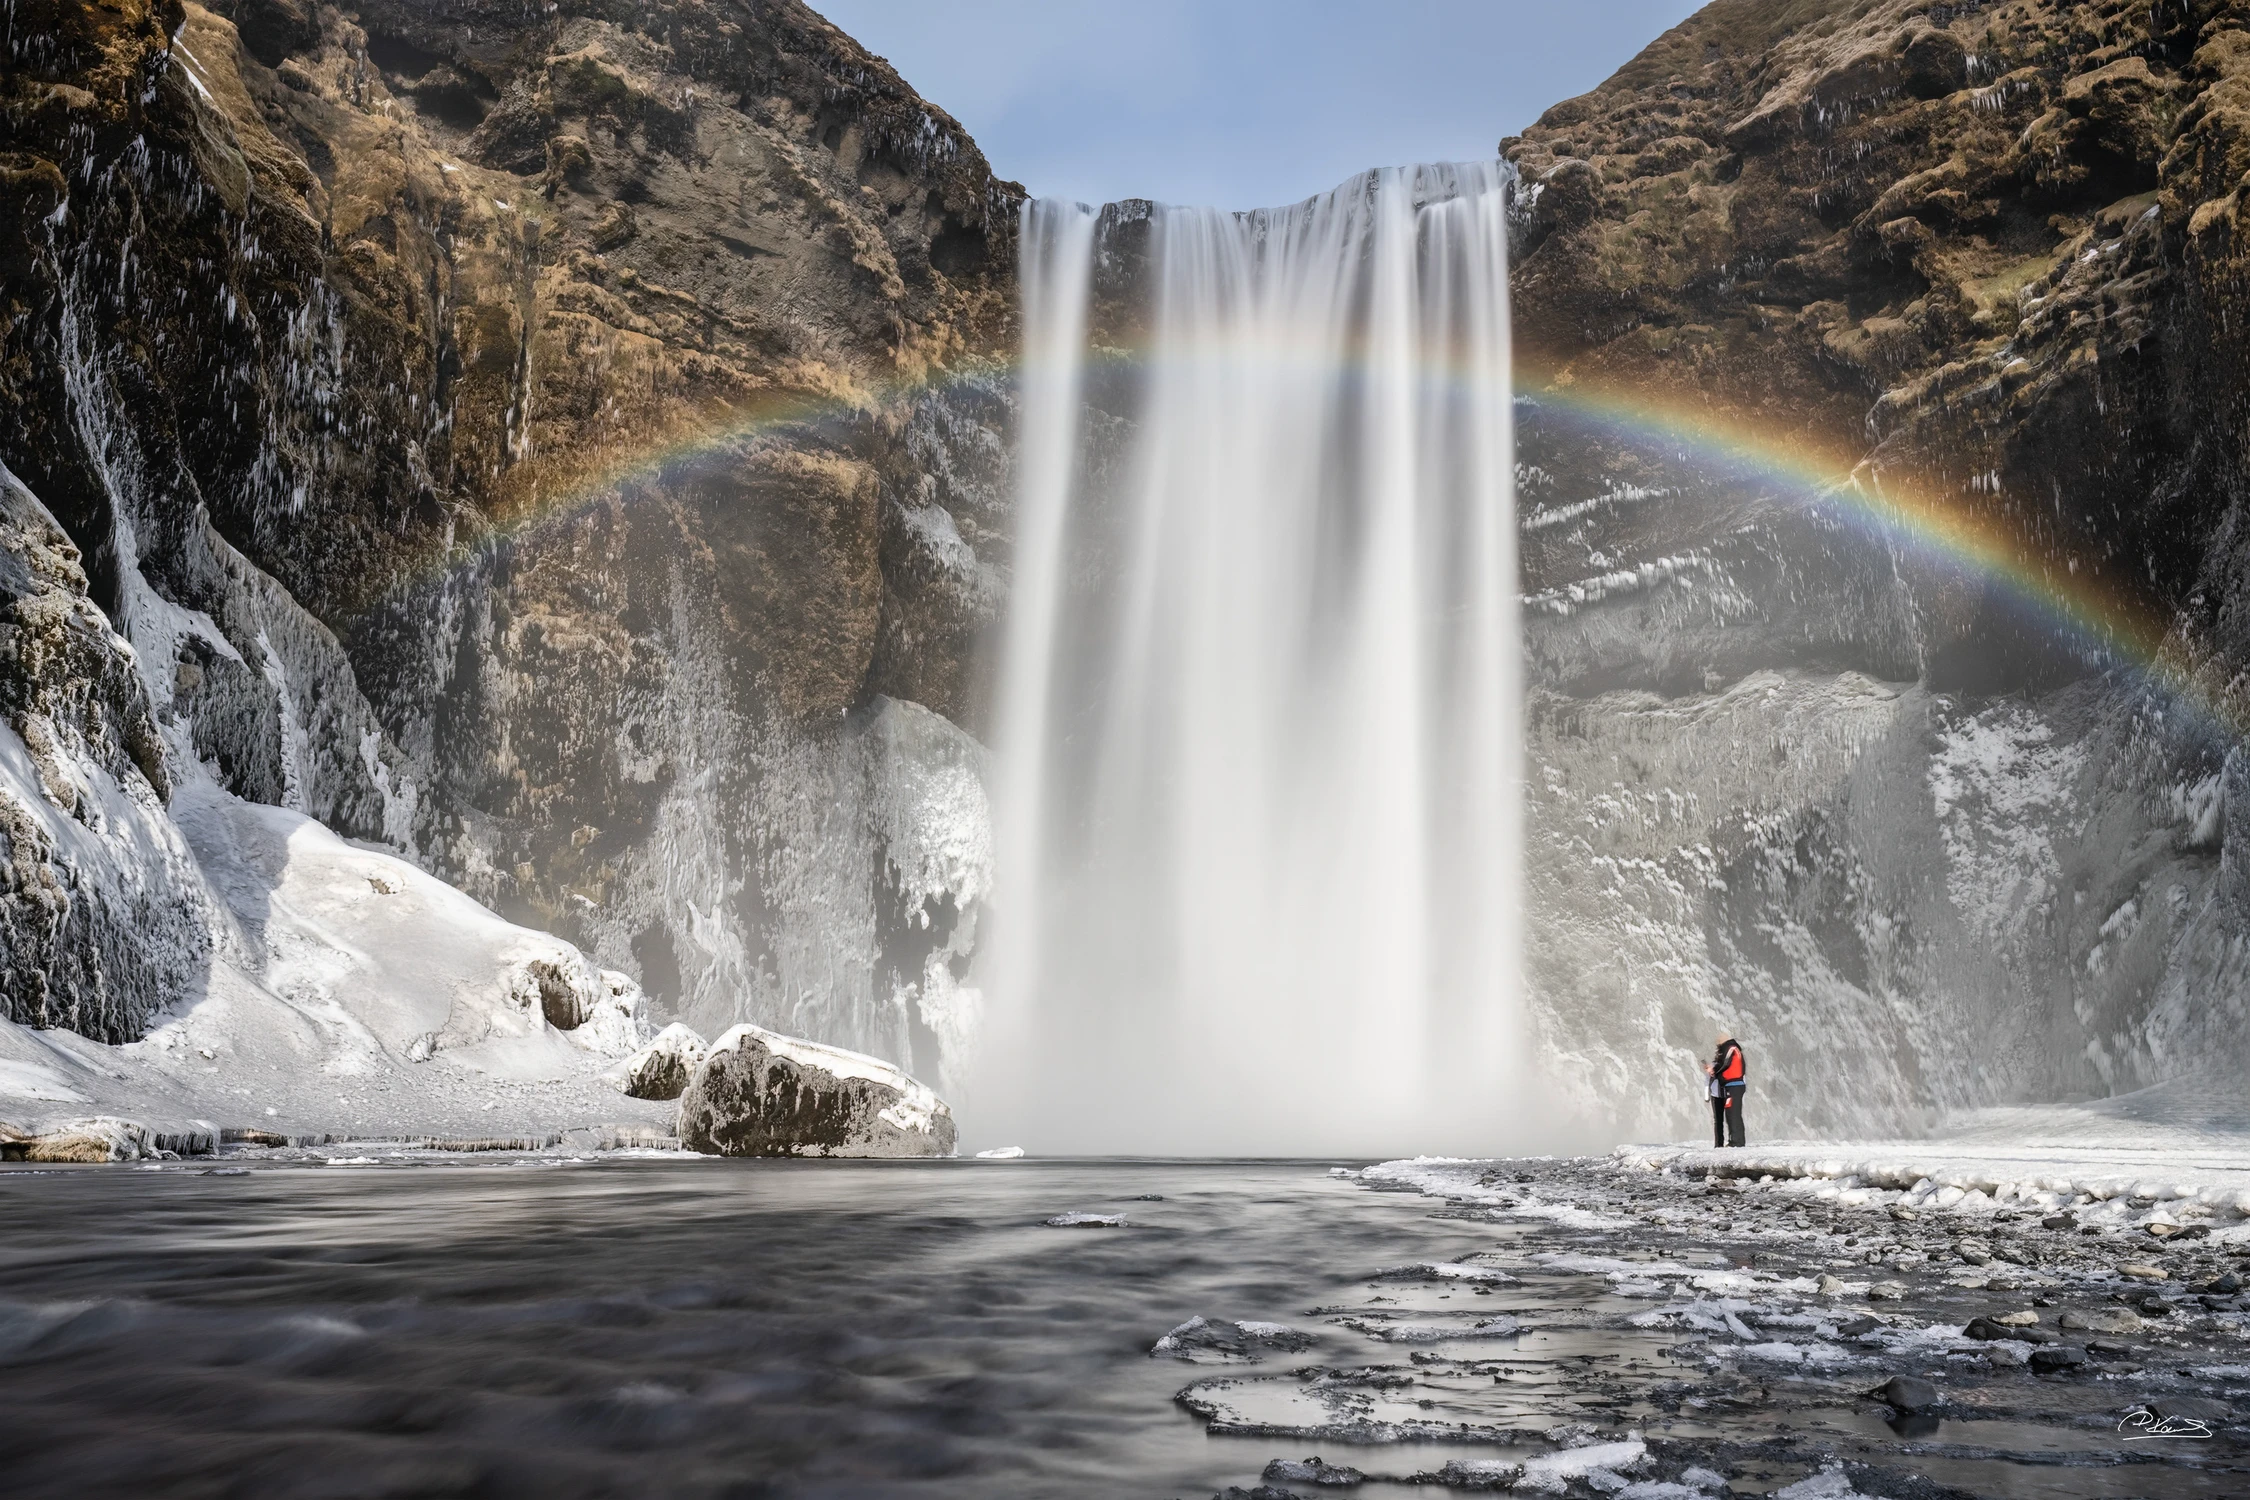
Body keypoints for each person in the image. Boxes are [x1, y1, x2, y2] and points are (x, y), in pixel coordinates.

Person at [1704, 1032, 1746, 1147]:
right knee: (1732, 1114)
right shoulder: (1733, 1048)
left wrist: (1715, 1071)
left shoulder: (1730, 1048)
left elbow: (1725, 1063)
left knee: (1733, 1114)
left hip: (1734, 1085)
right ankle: (1736, 1141)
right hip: (1732, 1085)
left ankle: (1736, 1142)